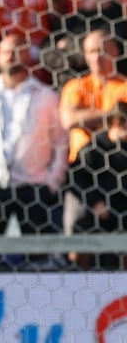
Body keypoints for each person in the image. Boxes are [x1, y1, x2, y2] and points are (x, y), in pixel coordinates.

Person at [0, 33, 68, 238]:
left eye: (15, 51)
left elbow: (61, 141)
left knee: (38, 256)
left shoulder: (46, 95)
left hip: (34, 187)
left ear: (28, 55)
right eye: (5, 52)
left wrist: (52, 181)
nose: (10, 57)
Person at [58, 29, 127, 263]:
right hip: (82, 174)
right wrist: (112, 114)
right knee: (78, 238)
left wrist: (87, 117)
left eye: (101, 50)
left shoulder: (124, 85)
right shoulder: (75, 86)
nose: (95, 57)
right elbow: (68, 120)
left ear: (116, 51)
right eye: (90, 52)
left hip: (118, 171)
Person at [68, 101, 127, 268]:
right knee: (83, 235)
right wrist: (95, 202)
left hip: (122, 212)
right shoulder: (94, 147)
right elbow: (75, 178)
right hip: (97, 212)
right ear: (117, 123)